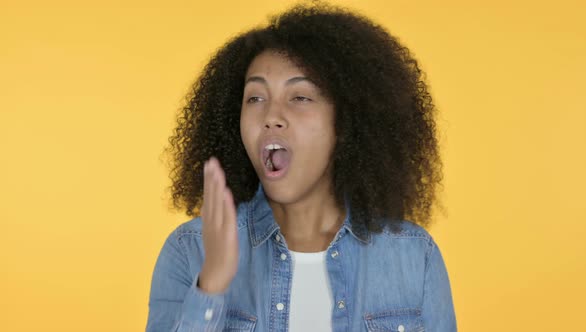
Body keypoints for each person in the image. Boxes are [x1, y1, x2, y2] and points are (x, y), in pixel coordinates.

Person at [146, 1, 457, 331]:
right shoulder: (189, 249)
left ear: (346, 122)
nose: (272, 117)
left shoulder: (413, 257)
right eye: (255, 98)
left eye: (300, 97)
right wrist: (211, 284)